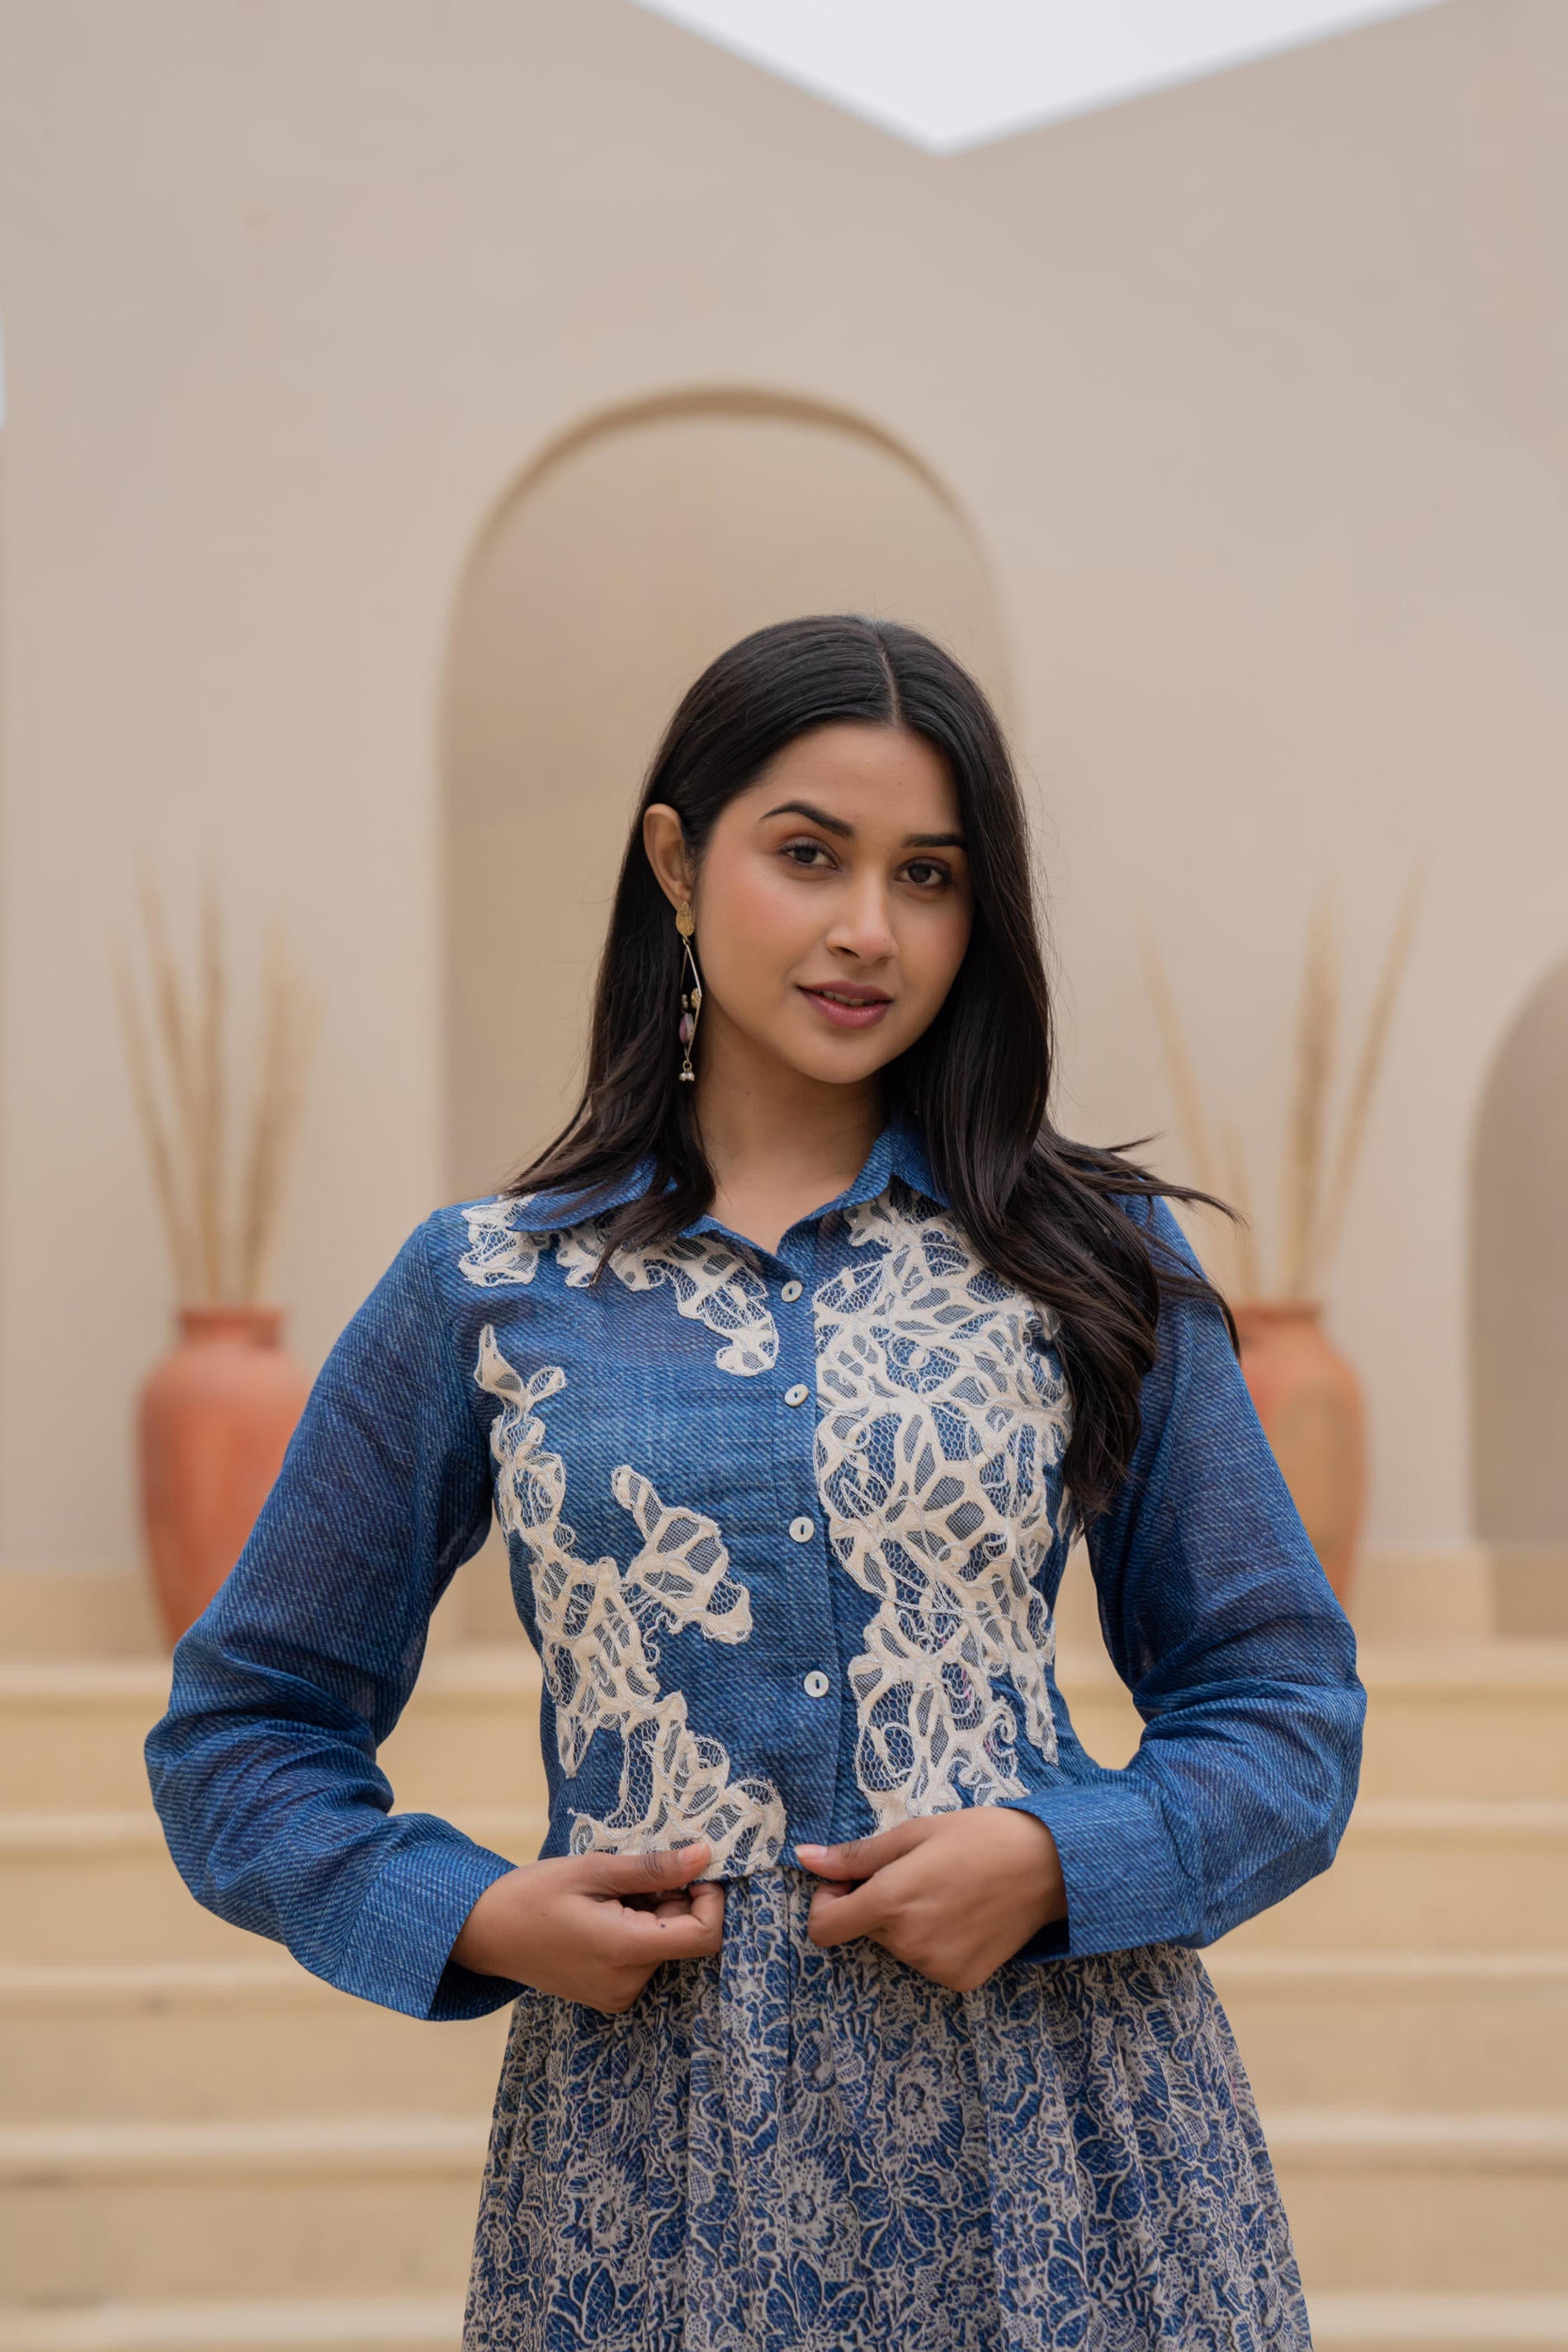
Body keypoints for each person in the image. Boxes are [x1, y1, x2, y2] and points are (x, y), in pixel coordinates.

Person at [147, 614, 1364, 2350]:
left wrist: (1054, 1855)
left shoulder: (1089, 1261)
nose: (868, 929)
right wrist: (476, 1916)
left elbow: (1283, 1709)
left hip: (1060, 2149)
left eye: (927, 876)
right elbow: (237, 1736)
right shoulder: (488, 1286)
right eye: (807, 856)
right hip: (655, 2180)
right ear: (674, 860)